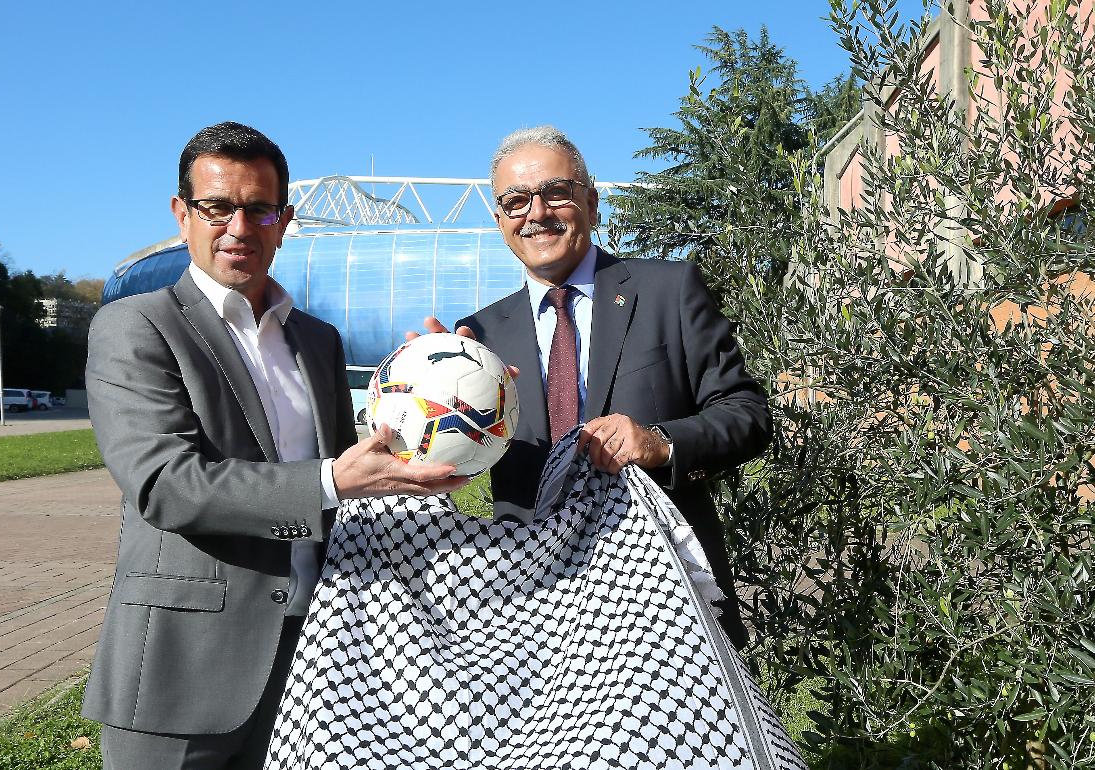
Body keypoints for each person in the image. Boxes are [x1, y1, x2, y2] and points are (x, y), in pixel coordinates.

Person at [82, 121, 464, 770]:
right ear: (182, 215)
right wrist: (330, 482)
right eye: (217, 207)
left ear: (284, 220)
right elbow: (167, 486)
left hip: (314, 665)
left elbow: (363, 477)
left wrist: (451, 407)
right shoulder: (137, 326)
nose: (239, 227)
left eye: (258, 208)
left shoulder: (317, 341)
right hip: (183, 670)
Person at [453, 126, 771, 646]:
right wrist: (426, 396)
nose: (536, 213)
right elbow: (459, 464)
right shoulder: (479, 337)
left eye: (556, 192)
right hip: (531, 602)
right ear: (499, 220)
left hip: (665, 596)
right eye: (516, 201)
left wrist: (660, 442)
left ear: (592, 202)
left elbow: (747, 413)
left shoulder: (667, 291)